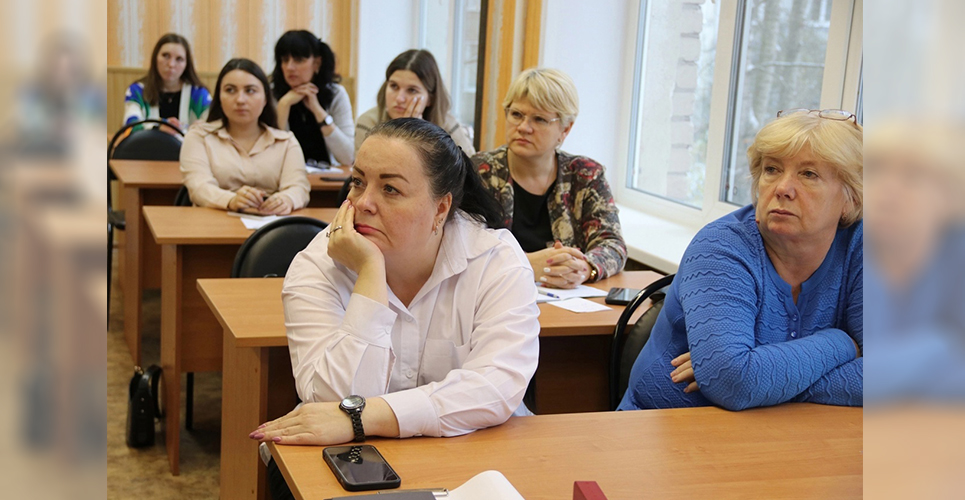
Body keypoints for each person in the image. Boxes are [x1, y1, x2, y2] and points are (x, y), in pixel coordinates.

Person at [250, 119, 538, 496]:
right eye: (358, 182)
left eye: (390, 189)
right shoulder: (318, 265)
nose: (362, 203)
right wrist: (371, 273)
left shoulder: (495, 261)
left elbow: (495, 388)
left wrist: (364, 416)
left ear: (441, 208)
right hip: (356, 467)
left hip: (477, 455)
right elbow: (330, 402)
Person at [618, 109, 864, 411]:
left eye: (808, 174)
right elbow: (732, 382)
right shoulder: (721, 246)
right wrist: (843, 343)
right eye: (772, 170)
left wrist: (765, 378)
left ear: (852, 198)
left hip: (794, 432)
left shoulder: (864, 246)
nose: (782, 188)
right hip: (663, 429)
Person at [472, 68, 626, 289]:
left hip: (565, 299)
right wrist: (526, 263)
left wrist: (584, 268)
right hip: (494, 295)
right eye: (516, 115)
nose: (524, 127)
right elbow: (463, 246)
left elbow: (612, 243)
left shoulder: (585, 175)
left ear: (565, 129)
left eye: (539, 119)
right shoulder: (480, 170)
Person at [179, 58, 310, 214]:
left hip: (272, 221)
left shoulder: (286, 142)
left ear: (265, 99)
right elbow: (198, 186)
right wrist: (231, 200)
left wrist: (285, 200)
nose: (240, 100)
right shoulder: (199, 137)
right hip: (213, 221)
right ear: (219, 97)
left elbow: (299, 187)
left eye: (250, 91)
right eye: (230, 90)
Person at [355, 49, 474, 155]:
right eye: (394, 86)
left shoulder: (446, 123)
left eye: (412, 90)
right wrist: (405, 136)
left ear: (430, 99)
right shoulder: (368, 122)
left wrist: (421, 135)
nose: (399, 98)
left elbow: (472, 167)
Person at [271, 30, 355, 166]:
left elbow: (349, 157)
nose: (289, 67)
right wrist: (284, 104)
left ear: (316, 63)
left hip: (329, 177)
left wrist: (318, 111)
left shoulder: (335, 94)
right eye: (285, 60)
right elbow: (273, 157)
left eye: (298, 60)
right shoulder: (270, 94)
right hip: (285, 176)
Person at [122, 33, 210, 134]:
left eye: (179, 59)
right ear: (155, 58)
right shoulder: (137, 90)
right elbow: (130, 126)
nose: (171, 64)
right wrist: (159, 127)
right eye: (166, 56)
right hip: (147, 144)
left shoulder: (199, 93)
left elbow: (213, 126)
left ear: (186, 64)